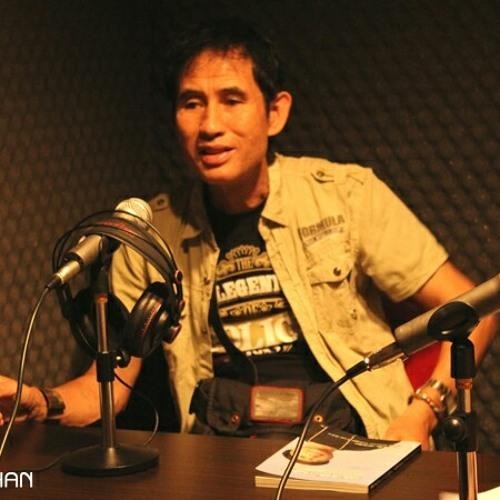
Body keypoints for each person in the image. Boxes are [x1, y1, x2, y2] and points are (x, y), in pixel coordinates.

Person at [0, 18, 497, 448]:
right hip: (222, 449)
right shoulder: (149, 237)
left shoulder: (346, 196)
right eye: (191, 103)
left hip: (355, 438)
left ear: (275, 112)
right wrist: (40, 401)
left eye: (232, 99)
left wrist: (423, 411)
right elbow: (104, 389)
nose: (210, 125)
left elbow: (475, 310)